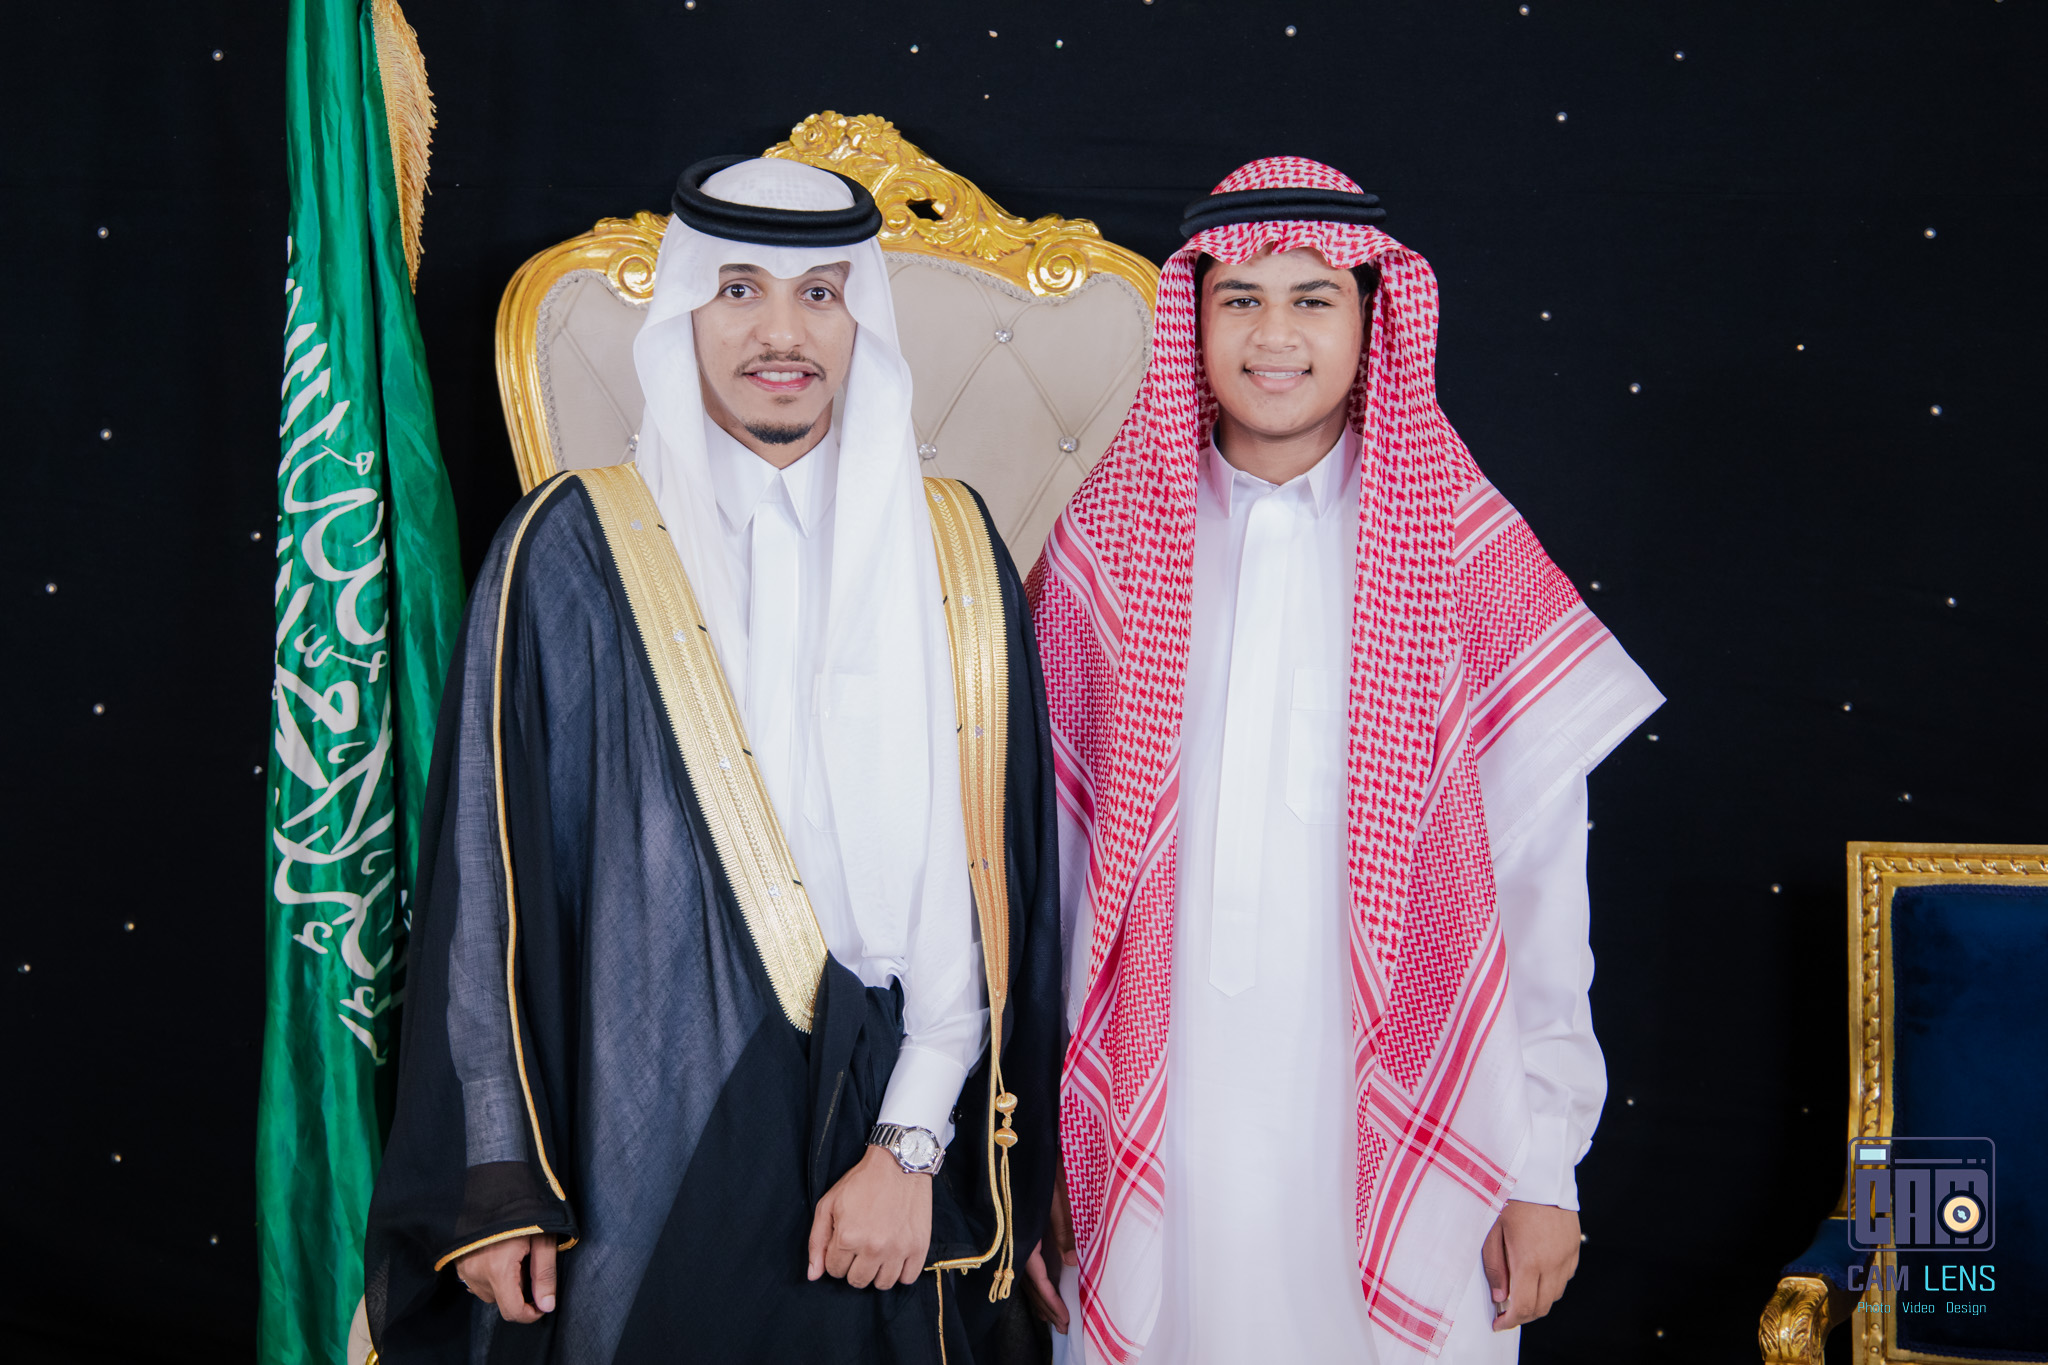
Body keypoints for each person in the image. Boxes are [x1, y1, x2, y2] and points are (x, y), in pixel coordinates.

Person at [364, 156, 1062, 1365]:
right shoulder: (570, 548)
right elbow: (491, 879)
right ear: (684, 309)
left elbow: (990, 890)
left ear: (859, 319)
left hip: (902, 1143)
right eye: (738, 291)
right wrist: (498, 1174)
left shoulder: (950, 549)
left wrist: (907, 1146)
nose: (779, 333)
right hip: (640, 1131)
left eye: (818, 295)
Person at [1021, 157, 1663, 1363]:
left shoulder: (1462, 553)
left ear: (1373, 320)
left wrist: (1542, 1165)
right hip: (1154, 1112)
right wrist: (1038, 1149)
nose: (1273, 336)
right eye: (1238, 299)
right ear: (1193, 321)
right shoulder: (1104, 549)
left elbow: (1539, 887)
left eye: (1311, 300)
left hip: (1413, 1102)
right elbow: (1038, 880)